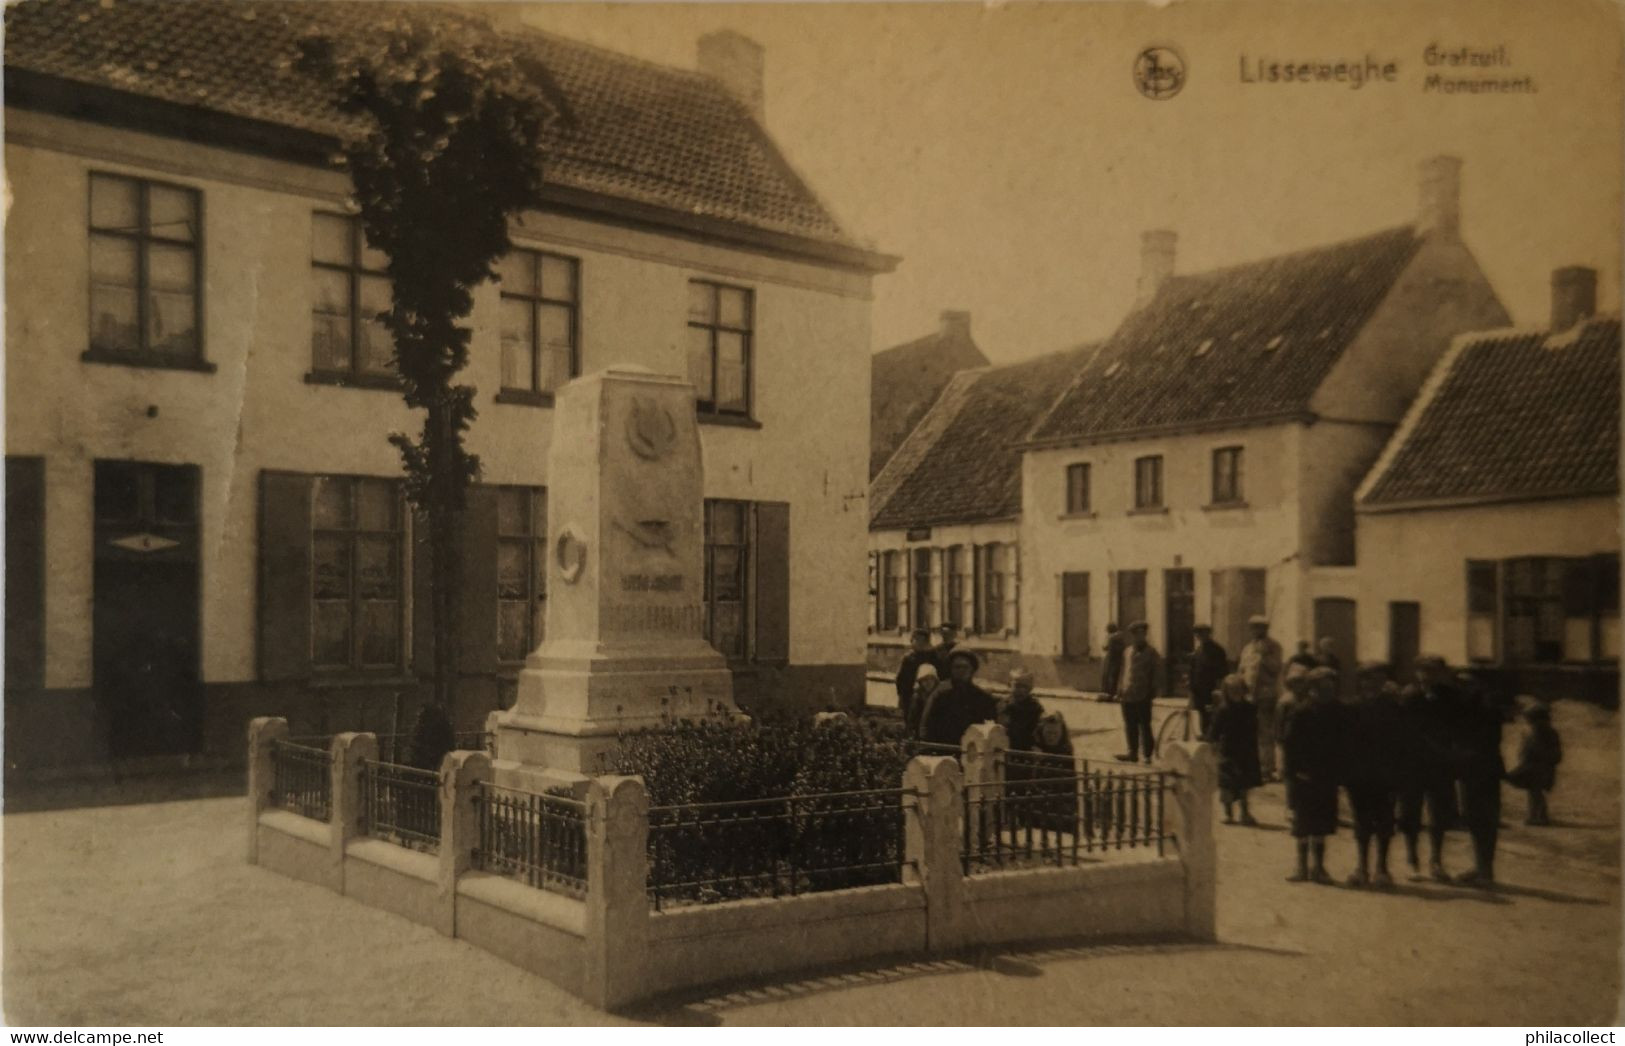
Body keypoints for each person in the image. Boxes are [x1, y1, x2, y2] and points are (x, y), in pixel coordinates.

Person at [1397, 656, 1466, 883]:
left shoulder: (1450, 696)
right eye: (1423, 671)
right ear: (1417, 673)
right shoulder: (1408, 696)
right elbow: (1403, 729)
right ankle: (1412, 860)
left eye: (1434, 671)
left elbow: (1457, 728)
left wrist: (1451, 753)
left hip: (1440, 765)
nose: (1428, 676)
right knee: (1410, 813)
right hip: (1412, 764)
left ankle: (1436, 860)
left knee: (1439, 813)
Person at [1343, 662, 1407, 888]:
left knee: (1385, 821)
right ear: (1361, 682)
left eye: (1379, 679)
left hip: (1386, 774)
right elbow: (1344, 743)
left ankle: (1382, 868)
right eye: (1368, 678)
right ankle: (1361, 867)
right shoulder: (1351, 708)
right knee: (1361, 821)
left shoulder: (1394, 708)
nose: (1373, 683)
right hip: (1359, 774)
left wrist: (1399, 773)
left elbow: (1402, 743)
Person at [1280, 666, 1344, 883]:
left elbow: (1344, 743)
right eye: (1322, 688)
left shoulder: (1337, 710)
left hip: (1327, 776)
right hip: (1304, 777)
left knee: (1322, 824)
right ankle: (1301, 867)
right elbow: (1290, 746)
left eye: (1331, 688)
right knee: (1303, 824)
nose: (1327, 692)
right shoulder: (1301, 712)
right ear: (1312, 689)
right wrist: (1293, 773)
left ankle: (1319, 867)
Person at [1455, 669, 1510, 887]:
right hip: (1473, 769)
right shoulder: (1470, 707)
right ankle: (1480, 867)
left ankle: (1486, 871)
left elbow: (1484, 742)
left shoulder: (1486, 709)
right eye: (1461, 685)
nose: (1464, 689)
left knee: (1484, 820)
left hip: (1483, 769)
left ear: (1479, 685)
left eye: (1468, 685)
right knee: (1474, 818)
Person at [1205, 673, 1261, 826]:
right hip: (1228, 750)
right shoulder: (1223, 710)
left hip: (1246, 750)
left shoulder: (1250, 708)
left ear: (1244, 690)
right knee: (1226, 785)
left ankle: (1244, 813)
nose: (1237, 693)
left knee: (1244, 785)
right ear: (1226, 692)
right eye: (1232, 690)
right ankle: (1227, 813)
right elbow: (1214, 730)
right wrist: (1212, 745)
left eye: (1239, 690)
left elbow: (1254, 729)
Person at [917, 648, 998, 748]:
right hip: (943, 752)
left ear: (972, 670)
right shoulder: (940, 695)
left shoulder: (983, 698)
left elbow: (991, 730)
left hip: (972, 756)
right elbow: (926, 726)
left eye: (965, 667)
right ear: (951, 670)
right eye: (957, 667)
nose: (961, 671)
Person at [1238, 615, 1284, 781]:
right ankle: (1252, 766)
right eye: (1254, 627)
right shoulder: (1247, 648)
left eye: (1260, 627)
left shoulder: (1274, 647)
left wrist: (1264, 657)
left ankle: (1267, 768)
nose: (1256, 631)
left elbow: (1276, 669)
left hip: (1266, 695)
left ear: (1266, 629)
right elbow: (1242, 670)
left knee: (1265, 732)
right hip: (1249, 696)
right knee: (1249, 733)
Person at [1114, 620, 1164, 764]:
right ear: (1132, 636)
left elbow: (1157, 673)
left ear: (1145, 635)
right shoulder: (1127, 651)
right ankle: (1132, 752)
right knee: (1130, 724)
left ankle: (1147, 754)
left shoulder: (1152, 652)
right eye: (1136, 635)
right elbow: (1123, 671)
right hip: (1127, 694)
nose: (1139, 637)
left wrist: (1153, 690)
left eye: (1142, 634)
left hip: (1143, 694)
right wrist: (1119, 689)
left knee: (1145, 724)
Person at [1506, 701, 1562, 826]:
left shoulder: (1547, 733)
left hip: (1540, 768)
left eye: (1532, 719)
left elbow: (1555, 754)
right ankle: (1536, 815)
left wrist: (1538, 757)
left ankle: (1539, 816)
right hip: (1532, 767)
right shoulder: (1531, 732)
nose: (1530, 722)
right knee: (1534, 792)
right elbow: (1525, 749)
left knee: (1535, 792)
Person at [1187, 623, 1229, 736]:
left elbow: (1223, 672)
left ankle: (1212, 743)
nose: (1200, 636)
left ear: (1208, 633)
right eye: (1198, 633)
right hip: (1199, 693)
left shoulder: (1218, 651)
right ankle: (1206, 743)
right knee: (1202, 719)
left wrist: (1219, 690)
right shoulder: (1197, 652)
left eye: (1203, 633)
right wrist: (1191, 690)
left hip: (1212, 692)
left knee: (1214, 719)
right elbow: (1192, 672)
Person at [894, 628, 936, 727]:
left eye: (918, 640)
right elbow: (900, 678)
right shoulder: (908, 658)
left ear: (925, 641)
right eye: (914, 639)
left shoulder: (933, 656)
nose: (914, 642)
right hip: (908, 694)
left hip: (928, 694)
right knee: (910, 719)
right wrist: (900, 696)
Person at [998, 667, 1044, 753]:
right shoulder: (1003, 705)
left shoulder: (1035, 708)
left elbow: (1040, 734)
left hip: (1025, 752)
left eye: (1025, 687)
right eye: (1017, 685)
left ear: (1030, 689)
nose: (1021, 690)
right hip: (1003, 750)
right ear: (1010, 685)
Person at [905, 662, 940, 738]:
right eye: (925, 680)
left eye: (931, 679)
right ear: (920, 682)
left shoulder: (940, 697)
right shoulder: (917, 698)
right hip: (919, 734)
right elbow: (912, 719)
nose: (928, 682)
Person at [1099, 622, 1126, 702]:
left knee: (1109, 678)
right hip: (1119, 661)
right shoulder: (1121, 638)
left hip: (1110, 661)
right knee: (1116, 678)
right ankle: (1116, 694)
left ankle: (1109, 694)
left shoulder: (1111, 638)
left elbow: (1104, 647)